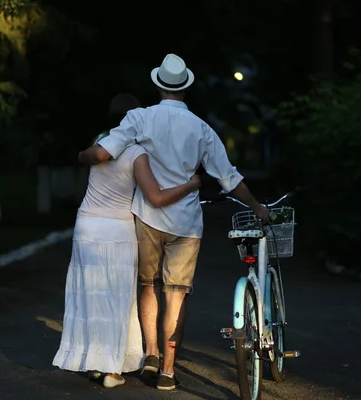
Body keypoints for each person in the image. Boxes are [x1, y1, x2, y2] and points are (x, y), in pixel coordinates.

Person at [78, 54, 269, 391]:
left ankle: (150, 354)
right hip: (185, 224)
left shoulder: (139, 118)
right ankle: (167, 371)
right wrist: (256, 205)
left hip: (147, 218)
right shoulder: (202, 129)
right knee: (176, 295)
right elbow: (228, 177)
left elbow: (105, 151)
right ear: (185, 88)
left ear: (158, 85)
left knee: (149, 286)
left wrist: (85, 155)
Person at [52, 93, 201, 389]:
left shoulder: (99, 141)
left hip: (87, 225)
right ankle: (112, 370)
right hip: (118, 229)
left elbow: (92, 156)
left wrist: (83, 153)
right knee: (117, 298)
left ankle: (92, 361)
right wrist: (191, 185)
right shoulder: (137, 154)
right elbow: (156, 198)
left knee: (91, 294)